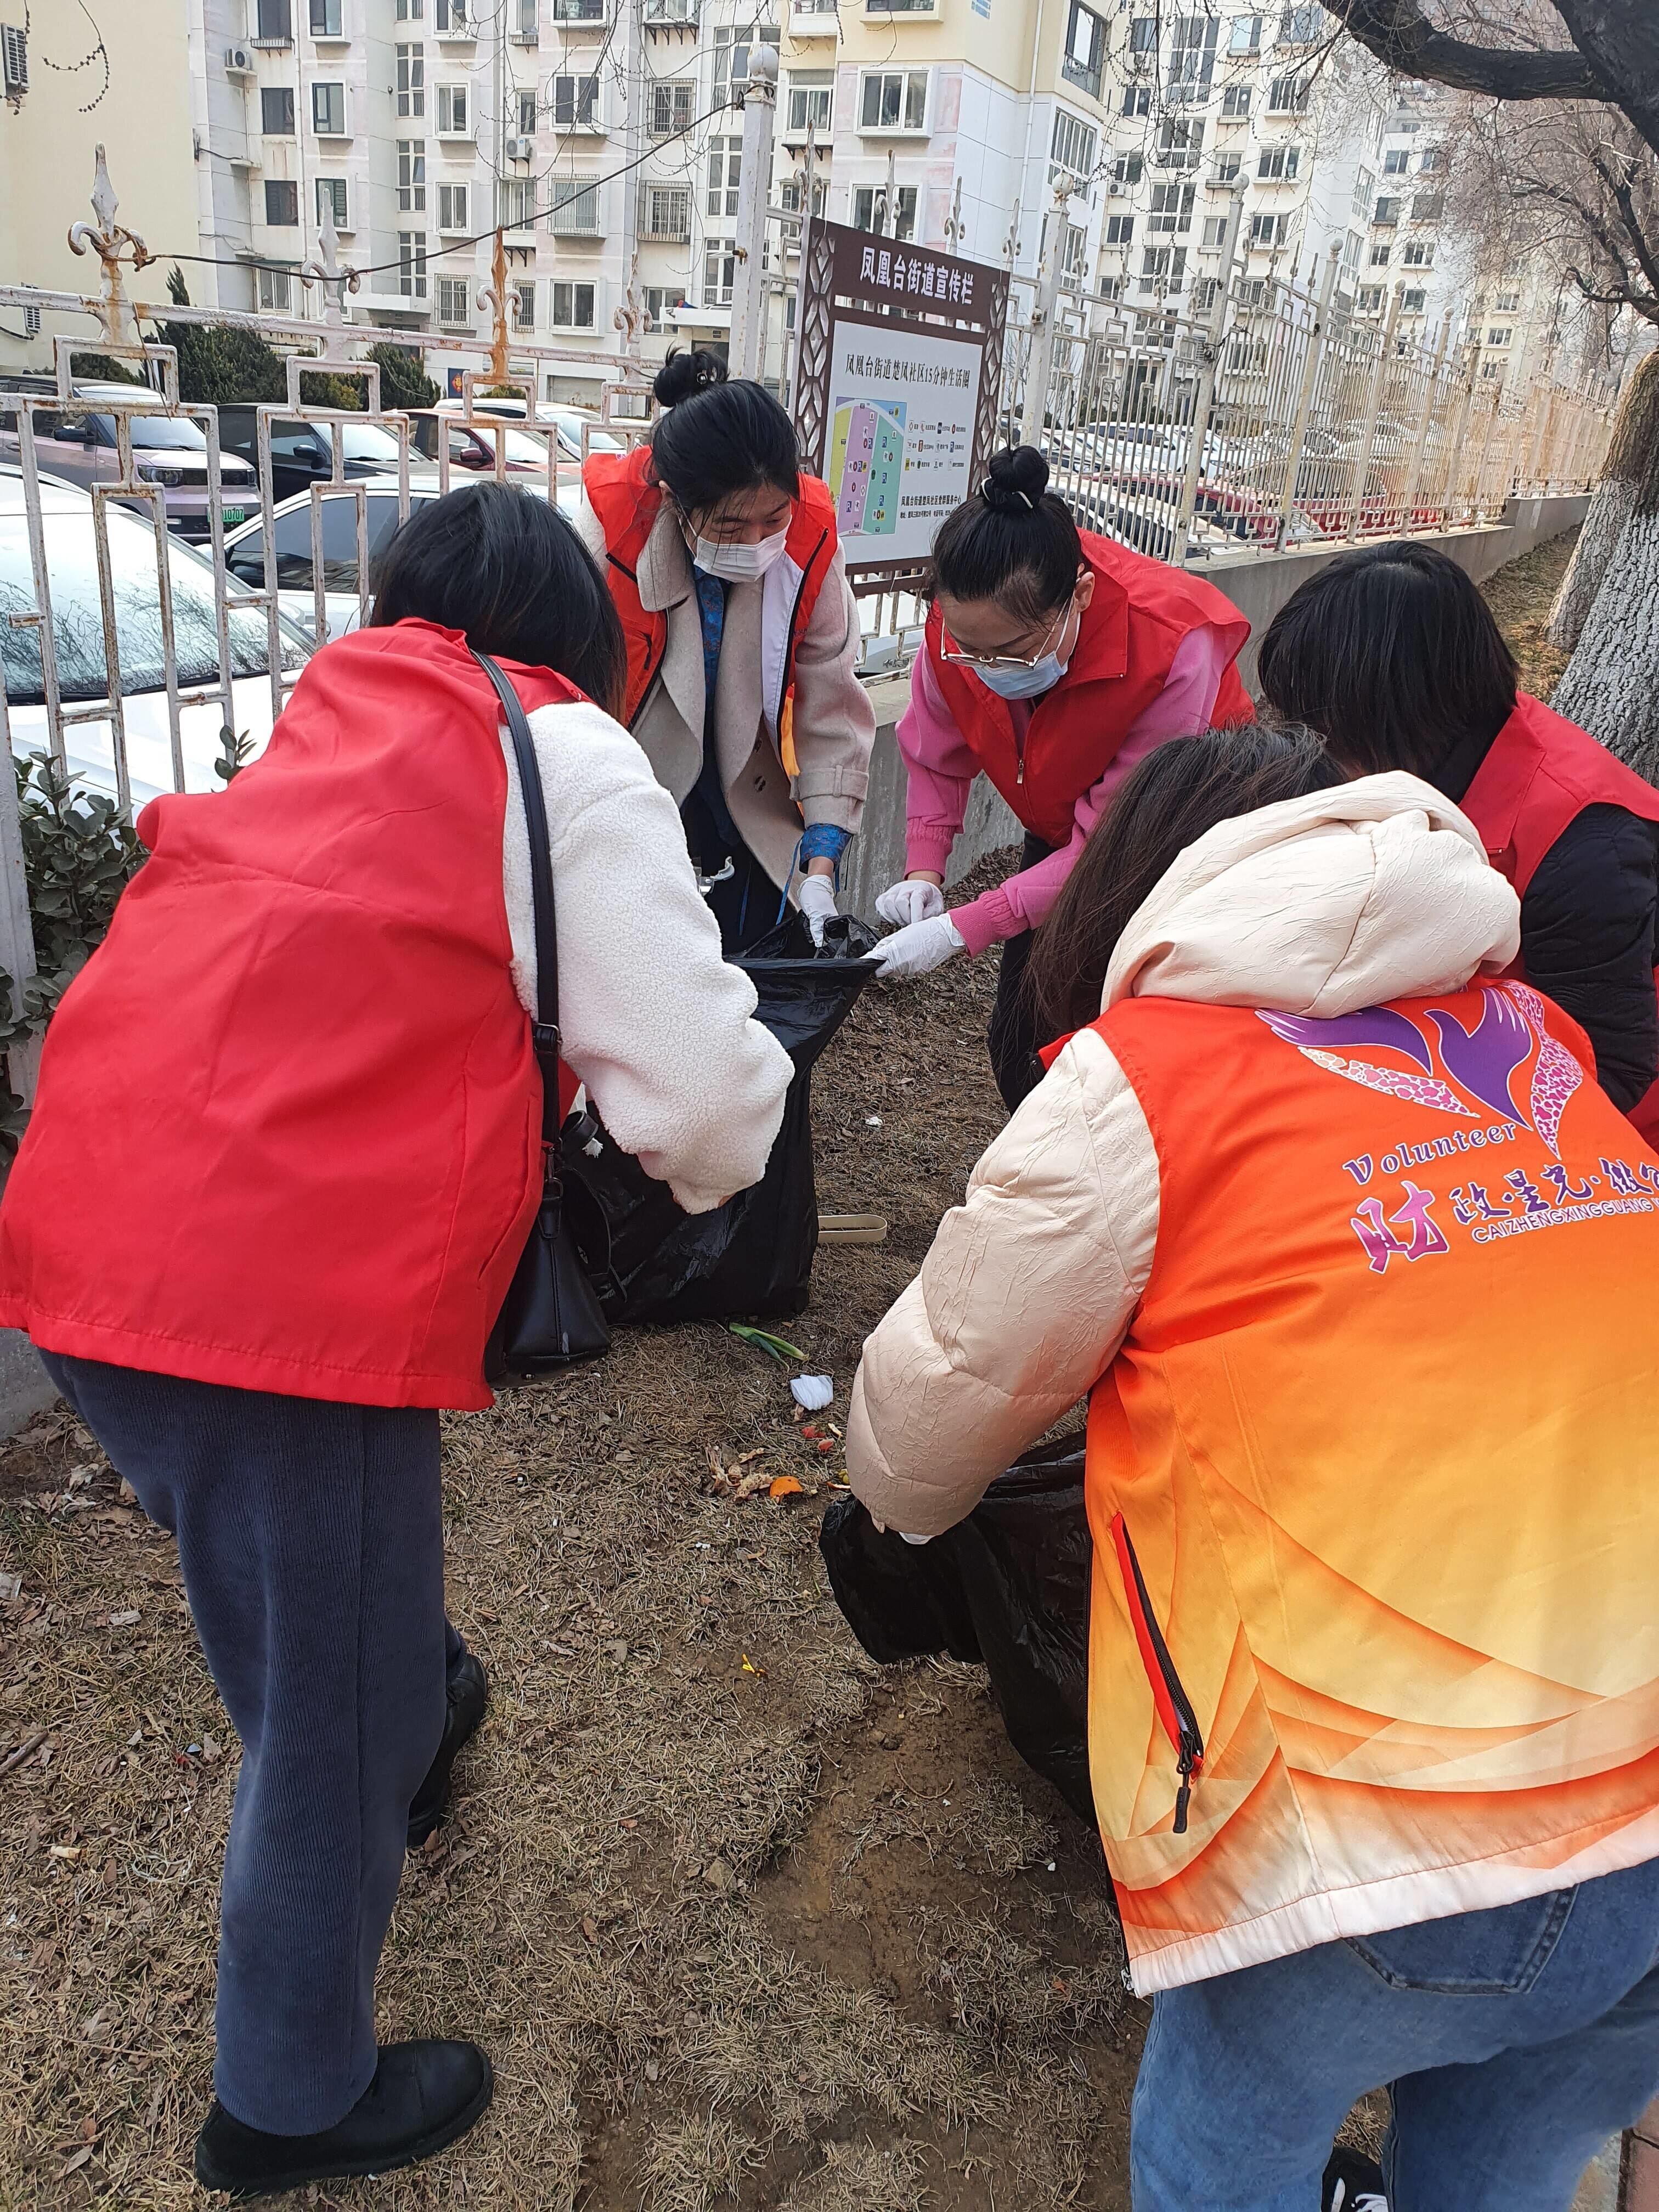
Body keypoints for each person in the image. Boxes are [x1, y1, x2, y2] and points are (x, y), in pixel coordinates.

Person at [0, 483, 793, 2199]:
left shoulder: (331, 715)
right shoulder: (557, 749)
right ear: (580, 642)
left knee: (313, 1593)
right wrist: (732, 1144)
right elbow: (710, 1101)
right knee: (324, 1716)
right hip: (265, 1303)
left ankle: (419, 1710)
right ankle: (284, 2101)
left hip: (90, 1234)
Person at [846, 725, 1659, 2211]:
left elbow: (927, 1413)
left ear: (1139, 895)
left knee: (1226, 2150)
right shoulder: (1534, 1038)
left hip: (1398, 1807)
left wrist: (894, 1518)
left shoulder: (1145, 1080)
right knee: (1508, 2165)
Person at [868, 444, 1254, 1109]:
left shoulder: (1172, 644)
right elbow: (936, 749)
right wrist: (924, 869)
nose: (985, 666)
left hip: (1182, 839)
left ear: (1079, 594)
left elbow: (1115, 839)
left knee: (1123, 1038)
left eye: (1010, 653)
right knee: (1023, 1036)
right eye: (969, 650)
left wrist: (967, 926)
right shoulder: (958, 621)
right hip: (1069, 825)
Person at [1257, 537, 1659, 1135]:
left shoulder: (1585, 847)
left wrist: (1422, 1126)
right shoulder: (1429, 748)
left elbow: (1611, 1066)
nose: (1311, 745)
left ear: (1395, 708)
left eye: (1323, 724)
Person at [577, 349, 876, 951]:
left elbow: (831, 695)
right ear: (673, 500)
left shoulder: (812, 532)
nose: (759, 541)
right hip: (634, 787)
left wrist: (820, 865)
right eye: (730, 527)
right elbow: (568, 698)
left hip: (753, 790)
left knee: (754, 971)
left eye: (773, 519)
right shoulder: (608, 528)